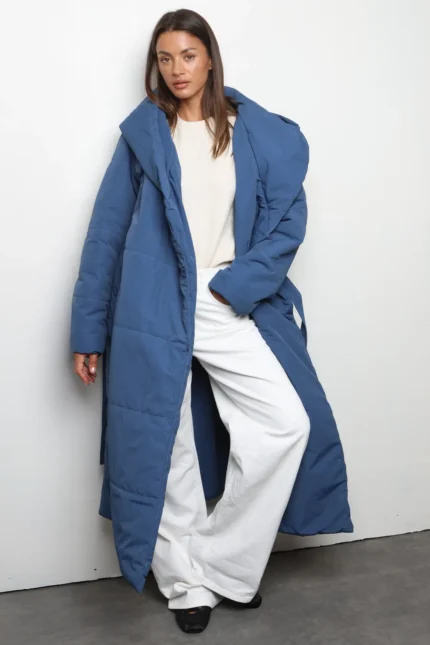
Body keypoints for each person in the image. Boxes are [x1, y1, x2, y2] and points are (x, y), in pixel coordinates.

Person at [71, 8, 353, 635]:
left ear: (209, 58)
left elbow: (287, 221)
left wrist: (238, 287)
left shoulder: (252, 132)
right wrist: (87, 330)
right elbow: (105, 235)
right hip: (151, 302)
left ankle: (222, 566)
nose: (176, 69)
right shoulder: (145, 136)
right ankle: (184, 583)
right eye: (165, 58)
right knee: (166, 444)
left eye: (188, 55)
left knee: (285, 424)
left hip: (223, 298)